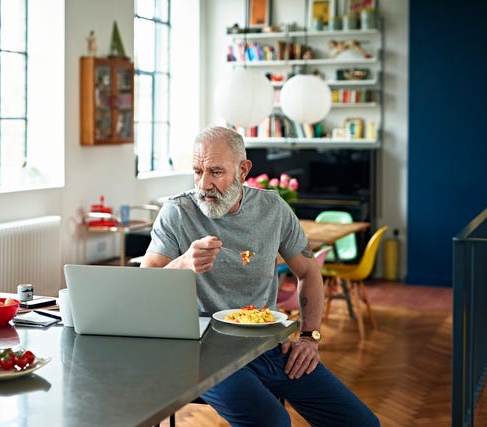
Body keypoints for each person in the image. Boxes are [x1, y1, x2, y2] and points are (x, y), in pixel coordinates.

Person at [141, 126, 380, 427]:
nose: (204, 184)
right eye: (197, 171)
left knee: (361, 423)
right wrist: (183, 263)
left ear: (243, 169)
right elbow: (145, 282)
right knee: (272, 422)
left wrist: (309, 337)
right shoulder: (177, 211)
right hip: (202, 353)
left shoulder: (273, 208)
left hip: (267, 346)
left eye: (216, 172)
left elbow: (308, 271)